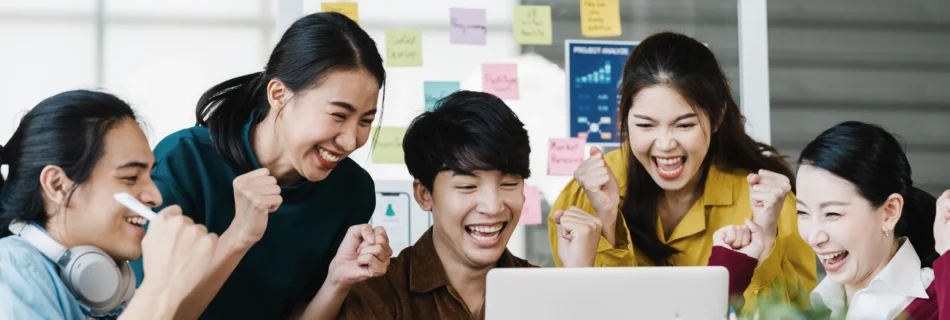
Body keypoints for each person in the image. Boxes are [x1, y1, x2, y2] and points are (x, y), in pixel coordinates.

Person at [128, 12, 392, 319]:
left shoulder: (352, 190)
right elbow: (153, 312)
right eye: (338, 115)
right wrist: (239, 235)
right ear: (278, 94)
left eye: (366, 121)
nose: (350, 141)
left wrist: (337, 281)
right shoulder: (184, 161)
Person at [547, 31, 816, 311]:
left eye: (685, 125)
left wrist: (765, 236)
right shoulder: (585, 196)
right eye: (645, 125)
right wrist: (606, 219)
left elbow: (797, 316)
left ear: (717, 118)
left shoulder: (767, 205)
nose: (665, 145)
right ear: (624, 119)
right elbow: (581, 310)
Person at [336, 91, 600, 320]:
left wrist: (577, 283)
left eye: (509, 184)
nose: (493, 206)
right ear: (424, 194)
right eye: (467, 187)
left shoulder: (546, 292)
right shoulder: (379, 295)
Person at [0, 90, 218, 319]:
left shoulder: (106, 299)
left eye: (150, 177)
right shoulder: (10, 271)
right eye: (131, 177)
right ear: (57, 185)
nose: (156, 197)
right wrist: (162, 286)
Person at [712, 121, 950, 319]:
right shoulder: (820, 306)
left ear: (889, 212)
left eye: (832, 214)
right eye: (803, 213)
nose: (814, 237)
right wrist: (731, 271)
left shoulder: (936, 304)